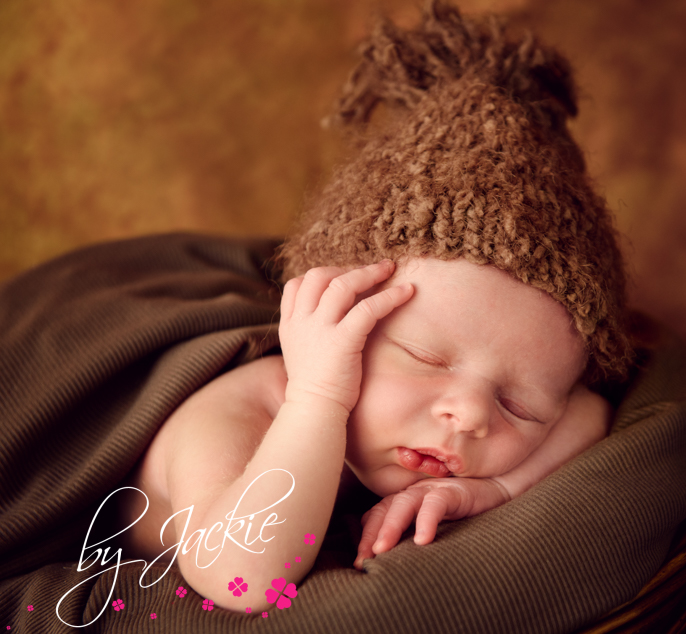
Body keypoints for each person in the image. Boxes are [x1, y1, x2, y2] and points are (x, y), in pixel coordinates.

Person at [120, 0, 635, 613]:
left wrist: (490, 490)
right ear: (337, 323)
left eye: (519, 405)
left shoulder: (505, 416)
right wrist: (317, 402)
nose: (471, 414)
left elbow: (586, 415)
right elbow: (246, 578)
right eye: (424, 357)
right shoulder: (240, 415)